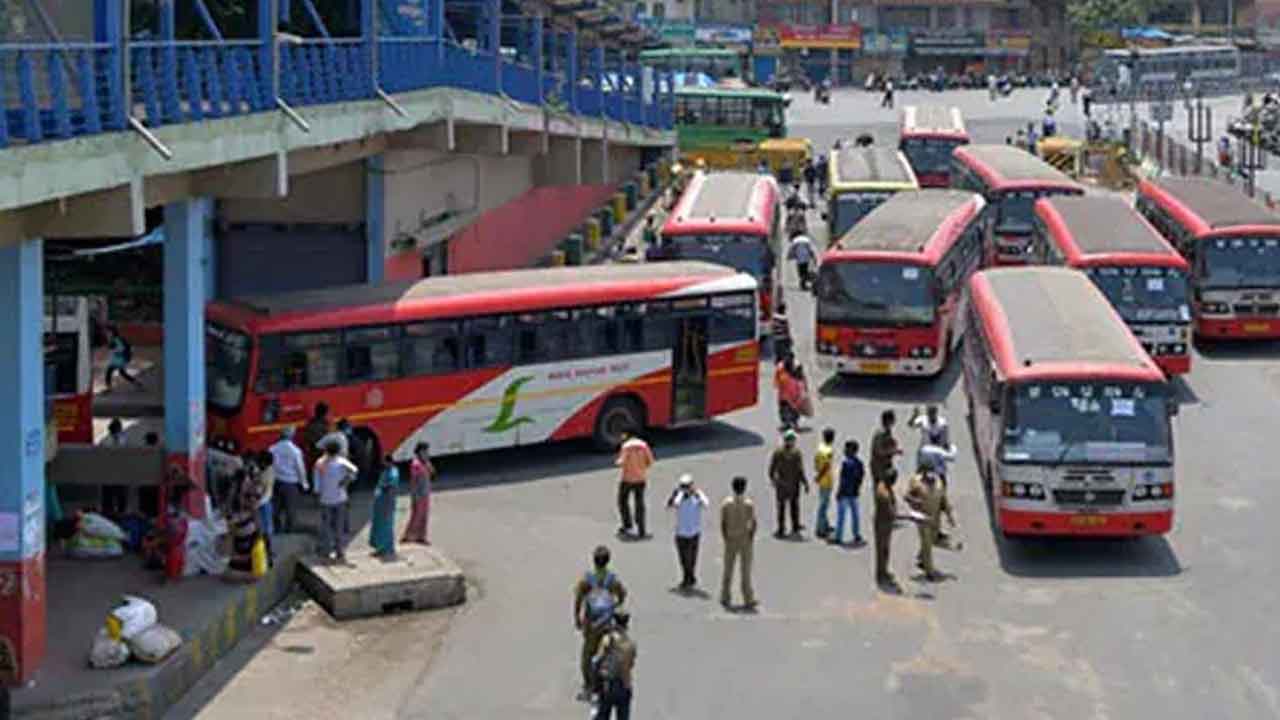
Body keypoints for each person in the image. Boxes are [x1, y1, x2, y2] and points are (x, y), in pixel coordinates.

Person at [573, 546, 628, 700]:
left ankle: (589, 685)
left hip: (591, 624)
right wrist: (614, 606)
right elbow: (623, 594)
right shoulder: (612, 579)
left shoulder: (587, 579)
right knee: (605, 652)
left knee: (587, 655)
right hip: (607, 622)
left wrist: (577, 617)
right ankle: (603, 683)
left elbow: (578, 598)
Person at [904, 468, 956, 582]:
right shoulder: (916, 482)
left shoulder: (939, 483)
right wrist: (914, 501)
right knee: (927, 544)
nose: (931, 479)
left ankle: (922, 558)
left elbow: (944, 500)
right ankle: (929, 572)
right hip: (923, 518)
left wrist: (950, 516)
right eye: (929, 478)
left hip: (935, 519)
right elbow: (907, 496)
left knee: (931, 540)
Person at [313, 439, 357, 561]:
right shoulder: (342, 462)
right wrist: (345, 482)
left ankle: (326, 551)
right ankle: (339, 551)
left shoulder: (320, 463)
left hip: (325, 499)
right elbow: (354, 471)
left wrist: (317, 495)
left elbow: (317, 483)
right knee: (339, 526)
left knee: (326, 526)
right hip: (340, 498)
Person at [719, 476, 758, 608]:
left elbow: (723, 523)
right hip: (744, 538)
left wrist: (725, 537)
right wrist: (751, 537)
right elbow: (753, 523)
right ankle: (748, 598)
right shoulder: (748, 504)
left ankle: (725, 596)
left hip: (731, 538)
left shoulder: (726, 503)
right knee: (745, 571)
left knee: (728, 569)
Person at [592, 610, 637, 720]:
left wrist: (595, 682)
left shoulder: (608, 639)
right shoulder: (630, 644)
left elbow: (597, 660)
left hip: (608, 684)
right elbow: (630, 664)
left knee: (602, 715)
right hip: (624, 685)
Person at [666, 474, 708, 589]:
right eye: (683, 486)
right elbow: (673, 505)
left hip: (694, 532)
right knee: (683, 558)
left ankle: (689, 577)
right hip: (681, 532)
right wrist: (679, 494)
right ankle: (688, 577)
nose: (685, 489)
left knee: (692, 557)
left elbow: (706, 504)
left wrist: (697, 494)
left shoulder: (697, 496)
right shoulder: (678, 497)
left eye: (687, 486)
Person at [768, 429, 809, 538]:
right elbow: (772, 468)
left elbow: (800, 469)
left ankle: (794, 526)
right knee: (782, 508)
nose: (792, 442)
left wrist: (805, 482)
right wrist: (773, 479)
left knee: (793, 506)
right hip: (784, 484)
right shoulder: (780, 453)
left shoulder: (794, 453)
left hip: (792, 484)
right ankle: (782, 528)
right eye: (791, 440)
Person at [269, 427, 308, 533]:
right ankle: (289, 528)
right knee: (290, 508)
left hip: (276, 481)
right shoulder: (295, 451)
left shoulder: (272, 449)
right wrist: (304, 484)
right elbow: (300, 468)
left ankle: (276, 526)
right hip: (291, 483)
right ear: (292, 436)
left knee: (276, 507)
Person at [615, 432, 654, 538]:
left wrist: (617, 462)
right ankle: (642, 529)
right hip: (641, 479)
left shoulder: (626, 447)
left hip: (627, 479)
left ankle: (627, 525)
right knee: (639, 503)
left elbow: (621, 462)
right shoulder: (643, 445)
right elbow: (650, 461)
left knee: (622, 501)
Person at [832, 440, 865, 546]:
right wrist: (857, 488)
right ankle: (856, 534)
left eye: (846, 448)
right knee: (855, 515)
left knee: (841, 516)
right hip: (854, 492)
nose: (844, 450)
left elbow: (843, 480)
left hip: (845, 493)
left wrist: (839, 492)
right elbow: (861, 477)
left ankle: (838, 536)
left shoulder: (846, 463)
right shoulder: (859, 463)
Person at [402, 442, 434, 544]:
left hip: (426, 494)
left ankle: (421, 536)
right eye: (425, 451)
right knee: (416, 516)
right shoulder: (416, 465)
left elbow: (432, 474)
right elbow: (413, 482)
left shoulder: (426, 463)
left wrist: (428, 465)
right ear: (420, 452)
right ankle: (408, 536)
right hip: (418, 495)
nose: (427, 453)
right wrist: (414, 496)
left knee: (424, 516)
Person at [873, 468, 899, 588]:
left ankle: (883, 571)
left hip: (884, 522)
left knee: (884, 550)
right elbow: (890, 512)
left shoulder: (882, 486)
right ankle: (881, 574)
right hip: (883, 524)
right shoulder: (884, 494)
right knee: (882, 551)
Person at [369, 455, 399, 557]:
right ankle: (380, 548)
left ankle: (385, 549)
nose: (383, 464)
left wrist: (382, 488)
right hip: (380, 503)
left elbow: (390, 487)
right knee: (379, 526)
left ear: (389, 462)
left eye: (384, 462)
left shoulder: (393, 473)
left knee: (386, 527)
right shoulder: (386, 470)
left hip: (387, 503)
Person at [813, 427, 836, 539]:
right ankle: (820, 528)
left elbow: (816, 461)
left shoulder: (820, 448)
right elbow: (826, 466)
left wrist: (817, 473)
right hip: (826, 481)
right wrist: (819, 476)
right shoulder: (829, 451)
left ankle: (825, 524)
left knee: (824, 503)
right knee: (823, 505)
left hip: (823, 480)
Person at [253, 450, 276, 563]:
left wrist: (257, 504)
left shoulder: (269, 473)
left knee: (265, 530)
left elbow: (267, 493)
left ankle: (269, 554)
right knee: (262, 530)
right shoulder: (262, 471)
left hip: (263, 504)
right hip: (260, 503)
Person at [103, 326, 142, 391]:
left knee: (109, 372)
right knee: (122, 373)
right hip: (119, 359)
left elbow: (121, 348)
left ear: (112, 332)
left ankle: (108, 387)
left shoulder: (116, 339)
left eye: (108, 332)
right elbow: (126, 347)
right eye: (107, 332)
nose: (107, 334)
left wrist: (114, 350)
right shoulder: (116, 339)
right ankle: (137, 383)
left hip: (119, 359)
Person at [870, 409, 902, 486]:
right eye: (893, 420)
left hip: (886, 464)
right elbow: (878, 451)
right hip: (879, 466)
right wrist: (894, 451)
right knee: (881, 489)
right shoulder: (880, 434)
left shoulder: (888, 432)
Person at [302, 402, 331, 467]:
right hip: (322, 456)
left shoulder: (310, 424)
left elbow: (306, 441)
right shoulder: (325, 426)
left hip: (313, 456)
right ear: (325, 413)